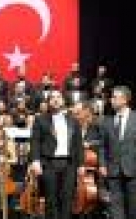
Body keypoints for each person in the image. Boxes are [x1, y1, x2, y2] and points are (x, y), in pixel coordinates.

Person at [98, 85, 136, 219]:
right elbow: (102, 146)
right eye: (112, 97)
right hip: (113, 169)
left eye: (114, 97)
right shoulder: (107, 121)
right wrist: (102, 164)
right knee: (116, 208)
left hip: (133, 169)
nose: (111, 100)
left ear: (125, 100)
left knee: (133, 208)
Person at [30, 90, 84, 219]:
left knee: (67, 198)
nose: (55, 99)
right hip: (49, 163)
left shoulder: (73, 121)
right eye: (52, 98)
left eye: (58, 97)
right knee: (51, 199)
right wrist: (35, 161)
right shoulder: (40, 119)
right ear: (48, 102)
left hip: (69, 164)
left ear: (63, 100)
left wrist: (81, 164)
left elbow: (78, 144)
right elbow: (35, 141)